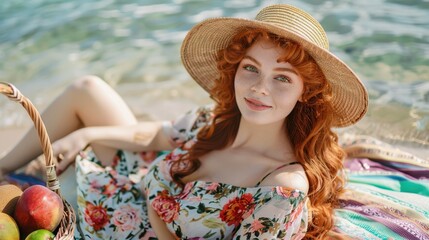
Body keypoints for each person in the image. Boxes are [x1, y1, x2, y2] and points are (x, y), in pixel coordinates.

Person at [0, 4, 368, 239]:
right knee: (88, 89)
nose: (259, 89)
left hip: (122, 225)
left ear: (307, 91)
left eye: (282, 77)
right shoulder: (218, 121)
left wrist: (154, 211)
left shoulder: (280, 187)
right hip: (128, 184)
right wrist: (86, 133)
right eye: (251, 68)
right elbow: (155, 133)